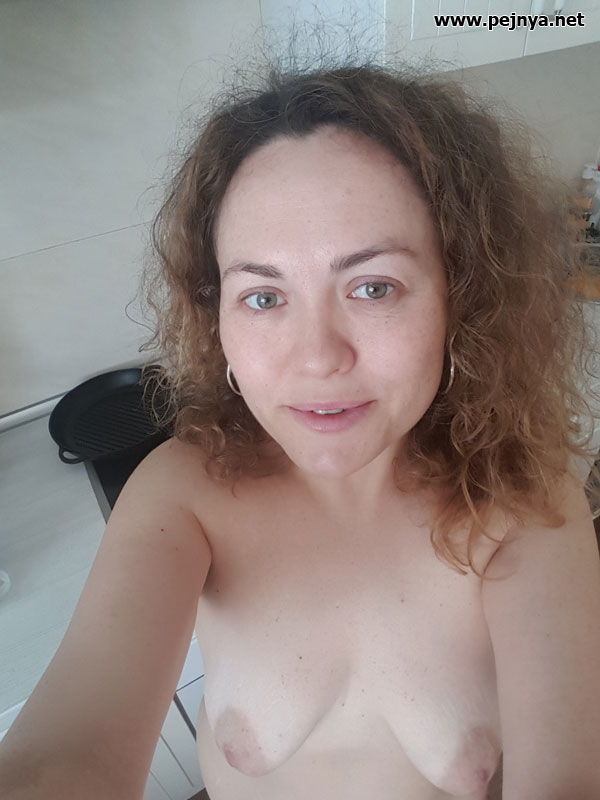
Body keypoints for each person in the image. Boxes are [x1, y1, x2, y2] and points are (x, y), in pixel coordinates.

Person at [2, 52, 600, 800]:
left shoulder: (523, 498)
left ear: (463, 300)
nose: (317, 358)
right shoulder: (185, 495)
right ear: (218, 318)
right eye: (263, 297)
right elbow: (62, 760)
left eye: (373, 287)